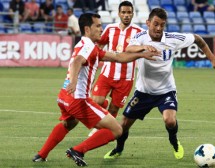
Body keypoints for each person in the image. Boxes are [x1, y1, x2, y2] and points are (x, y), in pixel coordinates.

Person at [31, 12, 159, 166]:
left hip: (64, 97)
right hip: (77, 99)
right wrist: (74, 81)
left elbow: (118, 57)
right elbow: (77, 61)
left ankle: (42, 154)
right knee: (117, 130)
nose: (101, 29)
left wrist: (142, 55)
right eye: (98, 26)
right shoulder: (88, 47)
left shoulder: (87, 45)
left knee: (69, 123)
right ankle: (78, 150)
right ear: (87, 29)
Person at [103, 8, 215, 160]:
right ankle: (118, 149)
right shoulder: (140, 37)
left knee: (170, 120)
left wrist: (212, 58)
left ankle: (174, 141)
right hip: (143, 92)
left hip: (166, 91)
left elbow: (198, 39)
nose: (159, 28)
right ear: (148, 23)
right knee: (124, 124)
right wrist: (144, 47)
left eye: (162, 25)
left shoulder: (173, 38)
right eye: (155, 24)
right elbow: (128, 48)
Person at [88, 1, 143, 136]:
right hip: (107, 73)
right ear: (118, 13)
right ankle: (102, 110)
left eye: (129, 12)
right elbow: (99, 47)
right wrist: (92, 64)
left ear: (132, 14)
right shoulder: (110, 29)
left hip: (126, 78)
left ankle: (99, 129)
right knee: (96, 102)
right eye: (123, 12)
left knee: (114, 109)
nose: (126, 15)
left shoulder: (139, 33)